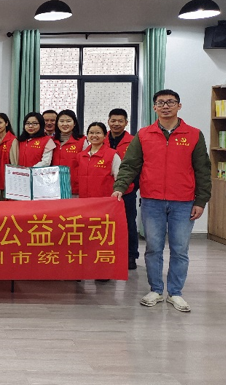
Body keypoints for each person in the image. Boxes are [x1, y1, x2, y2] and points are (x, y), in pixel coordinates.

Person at [113, 89, 211, 312]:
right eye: (161, 103)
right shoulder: (144, 134)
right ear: (154, 107)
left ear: (179, 106)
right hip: (152, 201)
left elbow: (203, 169)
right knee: (153, 248)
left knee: (180, 249)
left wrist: (201, 201)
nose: (166, 106)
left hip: (184, 201)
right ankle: (156, 289)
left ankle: (175, 293)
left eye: (170, 102)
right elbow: (130, 165)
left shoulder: (194, 134)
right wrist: (119, 187)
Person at [105, 108, 139, 270]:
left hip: (127, 191)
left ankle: (131, 255)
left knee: (128, 223)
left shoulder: (134, 141)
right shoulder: (100, 138)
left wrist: (134, 186)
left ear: (126, 123)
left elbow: (138, 165)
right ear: (108, 122)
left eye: (120, 121)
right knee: (106, 224)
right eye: (113, 120)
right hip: (105, 191)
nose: (116, 124)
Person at [76, 122, 121, 198]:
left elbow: (119, 177)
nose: (94, 135)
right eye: (91, 133)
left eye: (98, 133)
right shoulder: (80, 156)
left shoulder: (112, 155)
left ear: (105, 136)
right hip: (83, 199)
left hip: (104, 200)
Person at [52, 109, 88, 196]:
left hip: (74, 187)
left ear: (74, 123)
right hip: (54, 186)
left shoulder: (82, 141)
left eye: (68, 121)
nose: (65, 124)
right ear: (57, 123)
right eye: (61, 121)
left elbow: (86, 164)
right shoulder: (51, 141)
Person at [0, 113, 18, 199]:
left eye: (0, 122)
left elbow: (15, 163)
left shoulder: (12, 140)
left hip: (7, 180)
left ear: (6, 123)